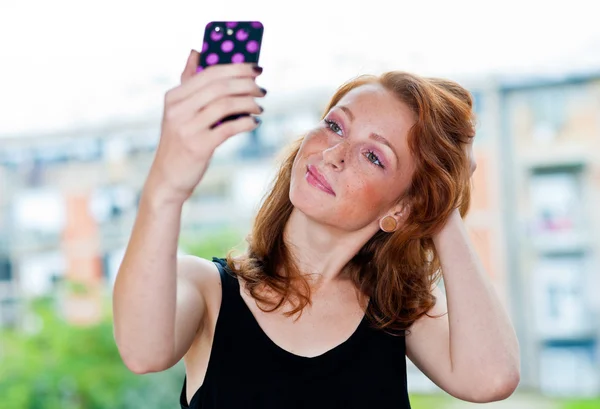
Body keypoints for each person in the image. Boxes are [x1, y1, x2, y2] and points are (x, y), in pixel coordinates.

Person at [112, 49, 520, 409]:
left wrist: (439, 203)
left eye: (374, 156)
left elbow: (491, 378)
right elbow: (143, 351)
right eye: (336, 125)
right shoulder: (205, 289)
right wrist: (167, 184)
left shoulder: (395, 311)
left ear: (400, 207)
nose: (333, 153)